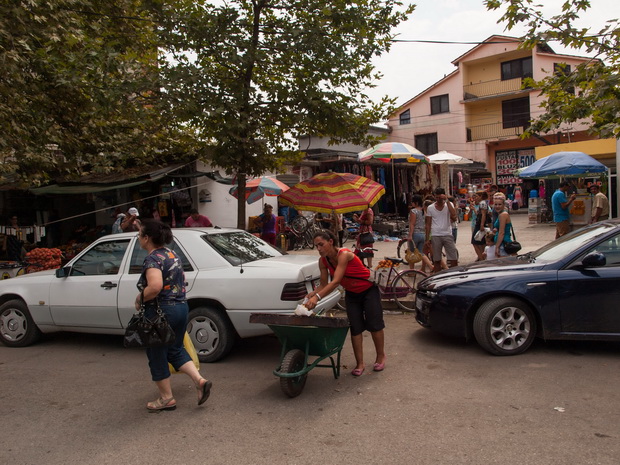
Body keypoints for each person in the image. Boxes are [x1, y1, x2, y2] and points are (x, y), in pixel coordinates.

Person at [135, 219, 212, 411]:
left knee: (157, 353)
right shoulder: (172, 254)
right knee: (174, 350)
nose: (138, 238)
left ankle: (166, 399)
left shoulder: (152, 259)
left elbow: (155, 287)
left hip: (162, 312)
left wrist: (139, 298)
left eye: (139, 235)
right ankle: (200, 381)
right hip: (180, 308)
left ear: (146, 238)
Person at [305, 230, 386, 376]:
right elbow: (324, 284)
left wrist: (317, 297)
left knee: (375, 325)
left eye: (321, 245)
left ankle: (380, 356)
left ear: (330, 242)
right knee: (355, 328)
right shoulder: (322, 261)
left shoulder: (345, 254)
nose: (318, 249)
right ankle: (360, 363)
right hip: (352, 293)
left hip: (368, 290)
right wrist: (312, 294)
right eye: (316, 246)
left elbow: (336, 282)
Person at [425, 187, 458, 273]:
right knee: (437, 259)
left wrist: (446, 200)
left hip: (447, 233)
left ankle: (454, 275)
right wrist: (427, 238)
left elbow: (454, 214)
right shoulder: (430, 208)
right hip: (436, 235)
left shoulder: (449, 204)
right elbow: (428, 224)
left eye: (440, 197)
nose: (438, 199)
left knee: (453, 258)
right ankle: (438, 277)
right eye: (437, 197)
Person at [407, 195, 433, 273]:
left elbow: (412, 224)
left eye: (412, 201)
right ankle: (431, 266)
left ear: (416, 202)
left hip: (415, 234)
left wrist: (410, 235)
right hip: (422, 234)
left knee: (411, 252)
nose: (411, 203)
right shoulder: (424, 211)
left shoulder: (413, 211)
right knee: (421, 253)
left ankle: (411, 272)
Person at [470, 191, 489, 261]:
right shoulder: (482, 203)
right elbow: (479, 214)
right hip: (479, 224)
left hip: (480, 225)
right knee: (481, 242)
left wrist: (481, 225)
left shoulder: (482, 203)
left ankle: (481, 258)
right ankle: (482, 257)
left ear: (481, 196)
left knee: (475, 242)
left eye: (477, 196)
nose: (475, 198)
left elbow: (483, 215)